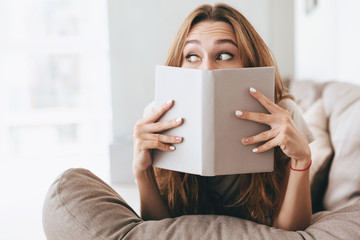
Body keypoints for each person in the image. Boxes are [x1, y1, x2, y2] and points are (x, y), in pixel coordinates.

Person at [132, 3, 313, 231]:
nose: (207, 69)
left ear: (249, 62)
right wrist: (142, 171)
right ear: (178, 66)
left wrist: (302, 160)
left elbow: (290, 231)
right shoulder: (157, 118)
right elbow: (158, 230)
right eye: (192, 56)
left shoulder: (282, 114)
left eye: (225, 55)